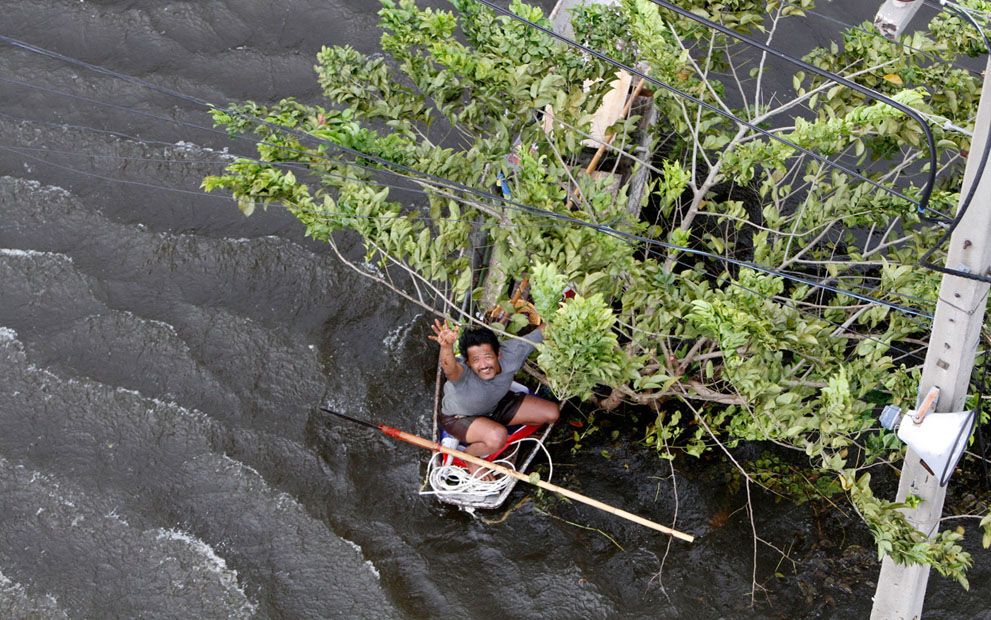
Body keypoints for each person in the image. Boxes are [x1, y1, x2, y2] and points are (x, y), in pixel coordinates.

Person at [428, 312, 559, 476]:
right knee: (498, 436)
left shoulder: (512, 353)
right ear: (468, 362)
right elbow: (449, 368)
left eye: (488, 357)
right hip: (459, 418)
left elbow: (540, 332)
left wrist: (567, 313)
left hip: (495, 406)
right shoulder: (462, 372)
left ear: (498, 354)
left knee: (552, 413)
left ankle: (490, 428)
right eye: (475, 360)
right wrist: (446, 347)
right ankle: (470, 455)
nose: (483, 365)